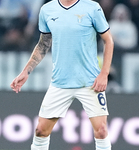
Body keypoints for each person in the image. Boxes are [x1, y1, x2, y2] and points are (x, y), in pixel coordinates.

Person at [10, 0, 114, 150]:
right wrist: (26, 71)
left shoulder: (92, 7)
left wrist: (104, 73)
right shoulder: (47, 10)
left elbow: (108, 40)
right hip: (60, 82)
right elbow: (43, 44)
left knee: (102, 131)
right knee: (40, 131)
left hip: (90, 82)